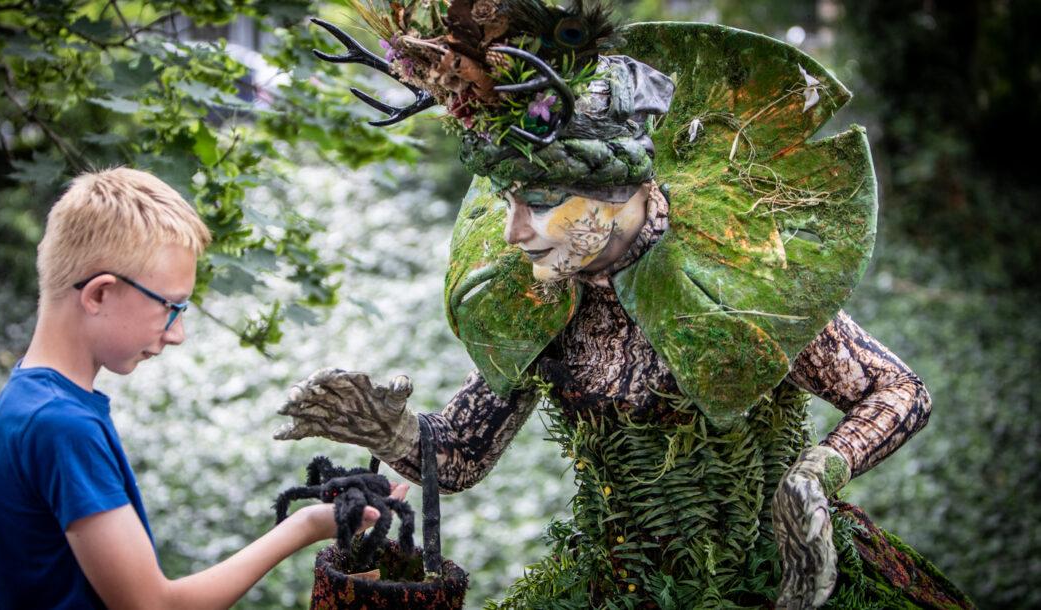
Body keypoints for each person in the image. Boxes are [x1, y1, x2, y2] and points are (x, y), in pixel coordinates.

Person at [275, 8, 972, 610]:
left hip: (770, 584)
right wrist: (392, 431)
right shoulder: (542, 299)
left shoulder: (737, 273)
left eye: (542, 204)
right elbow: (458, 458)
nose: (515, 231)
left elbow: (898, 389)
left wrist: (817, 473)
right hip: (611, 584)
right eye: (510, 203)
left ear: (624, 194)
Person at [0, 167, 408, 609]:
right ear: (99, 294)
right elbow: (154, 606)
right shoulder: (62, 426)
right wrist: (302, 528)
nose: (178, 333)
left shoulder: (26, 401)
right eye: (170, 307)